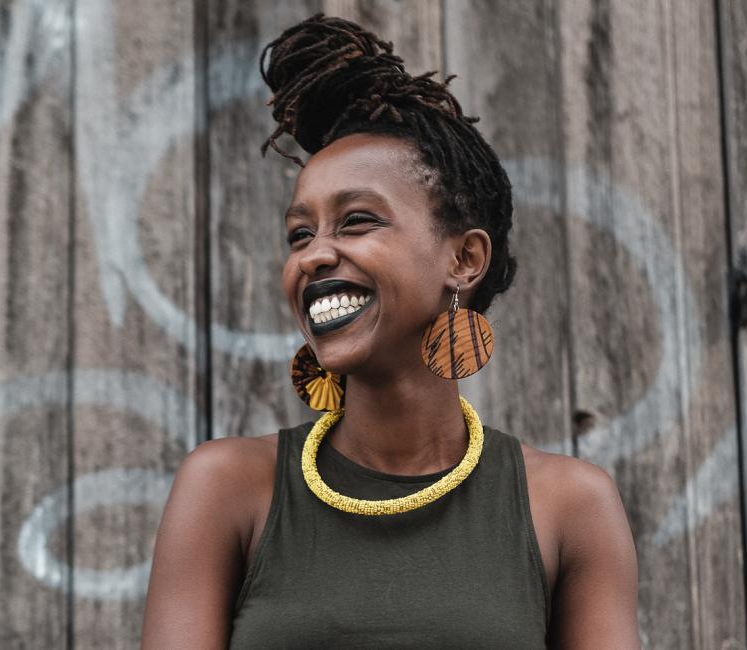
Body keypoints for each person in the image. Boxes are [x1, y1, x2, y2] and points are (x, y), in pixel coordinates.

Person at [141, 14, 638, 649]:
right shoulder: (229, 488)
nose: (314, 255)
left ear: (463, 260)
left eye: (355, 222)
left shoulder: (570, 505)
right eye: (300, 233)